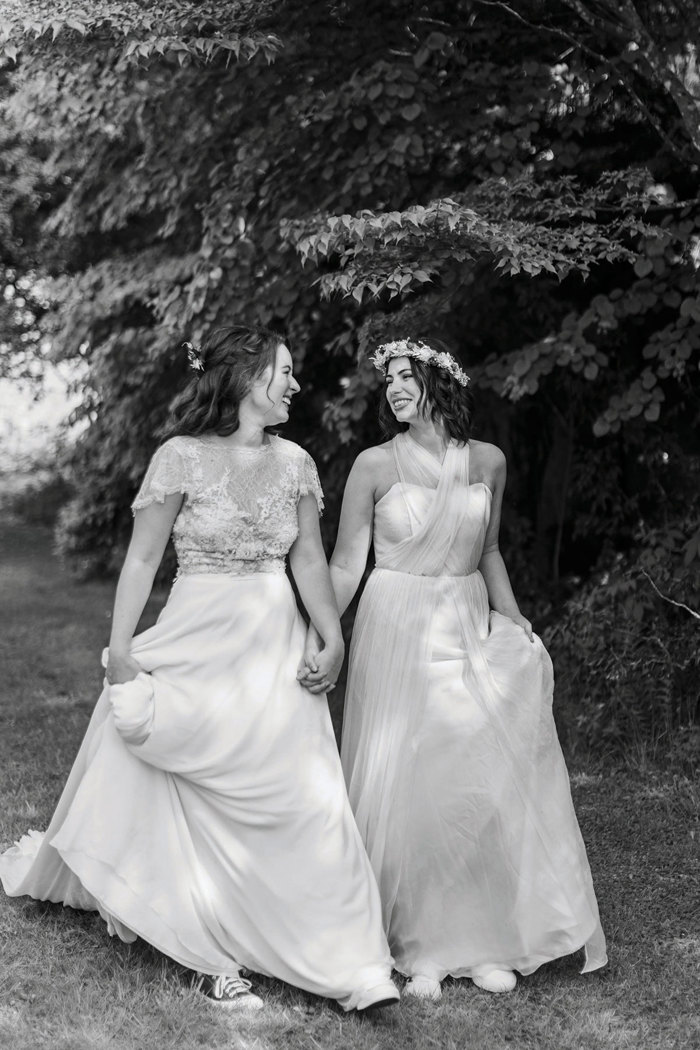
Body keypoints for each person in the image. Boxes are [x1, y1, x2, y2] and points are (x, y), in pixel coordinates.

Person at [0, 325, 399, 1013]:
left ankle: (352, 964)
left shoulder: (297, 463)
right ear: (247, 379)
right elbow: (142, 559)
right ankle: (204, 935)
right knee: (172, 773)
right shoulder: (179, 457)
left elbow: (307, 558)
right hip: (197, 634)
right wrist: (122, 646)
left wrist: (331, 638)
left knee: (304, 800)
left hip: (274, 642)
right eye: (285, 370)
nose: (296, 383)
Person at [300, 337, 607, 1000]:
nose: (394, 390)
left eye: (406, 377)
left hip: (465, 616)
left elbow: (490, 548)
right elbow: (349, 562)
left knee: (472, 775)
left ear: (439, 381)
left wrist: (514, 617)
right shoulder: (373, 466)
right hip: (395, 621)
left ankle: (479, 940)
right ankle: (417, 944)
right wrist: (324, 630)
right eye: (389, 382)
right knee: (408, 774)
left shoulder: (488, 462)